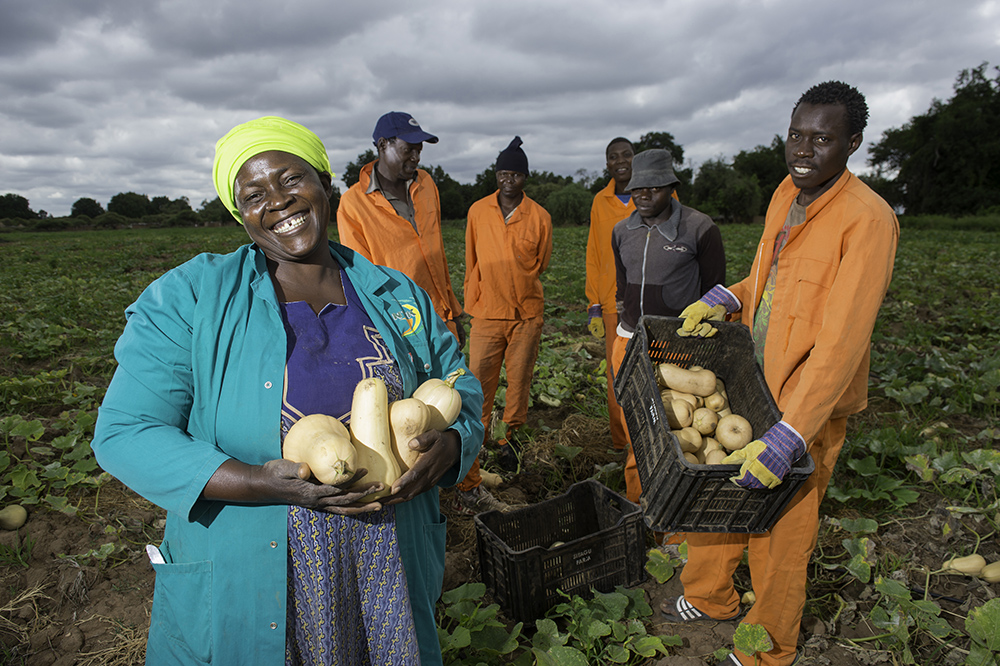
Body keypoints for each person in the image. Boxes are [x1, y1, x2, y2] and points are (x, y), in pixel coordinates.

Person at [91, 116, 485, 665]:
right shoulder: (189, 298)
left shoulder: (394, 293)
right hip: (261, 561)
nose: (277, 201)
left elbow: (458, 383)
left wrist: (454, 444)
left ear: (326, 183)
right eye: (253, 194)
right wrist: (257, 482)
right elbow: (126, 432)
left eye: (291, 179)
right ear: (239, 213)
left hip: (388, 559)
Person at [664, 82, 900, 666]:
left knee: (781, 527)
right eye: (797, 134)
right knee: (718, 492)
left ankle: (768, 645)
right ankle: (711, 595)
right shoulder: (785, 193)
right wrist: (727, 297)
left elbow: (843, 342)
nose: (804, 149)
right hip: (755, 378)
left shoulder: (866, 220)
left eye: (822, 139)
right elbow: (764, 281)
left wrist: (794, 431)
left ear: (852, 143)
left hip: (805, 403)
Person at [337, 111, 504, 514]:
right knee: (409, 410)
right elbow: (360, 275)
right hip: (400, 321)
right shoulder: (353, 204)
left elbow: (436, 253)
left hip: (441, 311)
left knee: (456, 399)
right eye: (408, 148)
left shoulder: (426, 186)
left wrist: (452, 306)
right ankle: (404, 484)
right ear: (381, 147)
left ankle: (468, 486)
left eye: (419, 148)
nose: (416, 156)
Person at [610, 148, 726, 505]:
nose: (643, 196)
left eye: (655, 188)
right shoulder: (620, 232)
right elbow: (620, 286)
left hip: (677, 345)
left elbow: (715, 292)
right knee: (636, 434)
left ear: (671, 187)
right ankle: (639, 505)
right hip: (629, 341)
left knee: (674, 434)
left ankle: (672, 515)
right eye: (636, 188)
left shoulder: (699, 228)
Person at [463, 137, 553, 473]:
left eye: (515, 175)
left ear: (524, 178)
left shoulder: (539, 216)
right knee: (479, 379)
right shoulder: (477, 211)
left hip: (526, 314)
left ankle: (509, 440)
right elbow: (472, 257)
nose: (508, 180)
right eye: (503, 173)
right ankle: (477, 436)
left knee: (519, 380)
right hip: (486, 311)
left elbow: (541, 263)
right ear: (496, 175)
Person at [585, 137, 636, 453]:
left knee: (652, 367)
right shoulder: (600, 201)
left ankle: (649, 438)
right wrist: (593, 302)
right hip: (611, 300)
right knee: (617, 373)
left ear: (635, 158)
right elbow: (594, 252)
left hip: (650, 297)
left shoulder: (658, 191)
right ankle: (622, 443)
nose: (620, 161)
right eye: (613, 157)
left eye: (626, 155)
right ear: (607, 163)